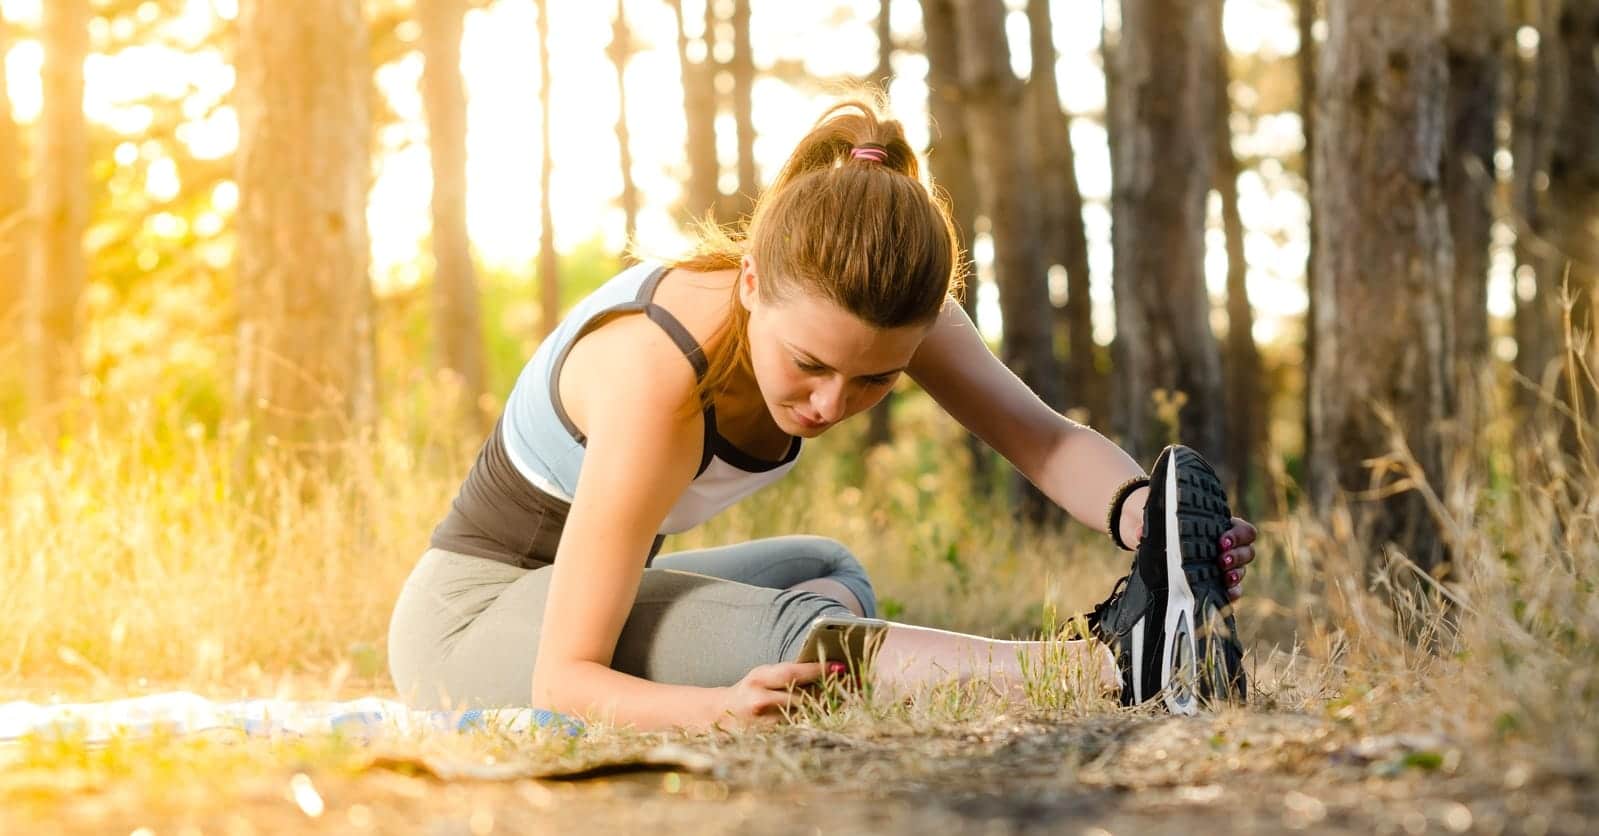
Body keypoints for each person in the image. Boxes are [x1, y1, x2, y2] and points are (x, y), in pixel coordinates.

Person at [386, 99, 1258, 730]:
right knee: (799, 638)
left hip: (580, 599)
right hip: (468, 631)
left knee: (826, 568)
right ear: (753, 284)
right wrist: (711, 707)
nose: (832, 404)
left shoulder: (881, 309)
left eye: (875, 381)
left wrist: (1149, 522)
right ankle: (1104, 669)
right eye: (808, 365)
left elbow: (1045, 440)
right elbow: (562, 679)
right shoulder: (657, 375)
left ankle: (1145, 640)